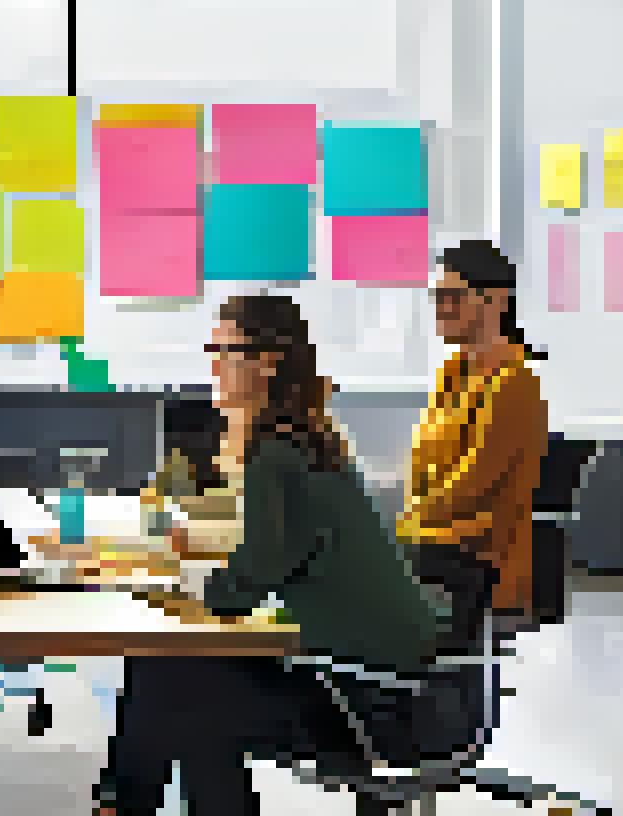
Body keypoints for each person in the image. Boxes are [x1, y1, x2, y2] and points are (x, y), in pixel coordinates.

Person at [96, 294, 444, 816]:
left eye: (226, 349)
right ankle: (124, 803)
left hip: (362, 698)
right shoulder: (308, 439)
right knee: (177, 673)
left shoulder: (277, 452)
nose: (213, 362)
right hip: (390, 683)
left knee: (176, 682)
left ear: (268, 361)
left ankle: (123, 804)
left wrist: (168, 593)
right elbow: (265, 555)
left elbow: (242, 589)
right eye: (211, 348)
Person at [401, 240, 551, 651]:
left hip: (479, 555)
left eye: (453, 297)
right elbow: (422, 467)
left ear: (496, 301)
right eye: (437, 297)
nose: (441, 308)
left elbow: (471, 488)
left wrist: (400, 525)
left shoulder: (513, 382)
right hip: (432, 537)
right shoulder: (452, 372)